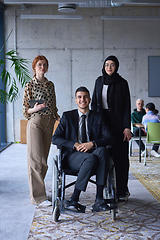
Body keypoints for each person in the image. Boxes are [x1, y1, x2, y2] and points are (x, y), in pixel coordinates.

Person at [52, 86, 114, 213]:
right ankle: (74, 199)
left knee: (102, 151)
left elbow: (110, 138)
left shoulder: (98, 117)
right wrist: (74, 144)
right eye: (79, 97)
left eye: (85, 97)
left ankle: (99, 199)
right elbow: (55, 138)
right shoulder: (67, 116)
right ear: (76, 100)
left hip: (93, 154)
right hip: (72, 156)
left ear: (90, 99)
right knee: (90, 158)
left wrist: (92, 143)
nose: (82, 99)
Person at [91, 55, 132, 201]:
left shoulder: (122, 83)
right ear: (103, 66)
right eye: (107, 64)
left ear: (116, 67)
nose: (109, 67)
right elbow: (94, 103)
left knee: (120, 159)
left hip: (119, 124)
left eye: (112, 64)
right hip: (102, 123)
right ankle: (106, 189)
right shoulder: (98, 81)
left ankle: (122, 191)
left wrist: (127, 127)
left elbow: (127, 106)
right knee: (103, 156)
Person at [23, 55, 60, 205]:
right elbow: (25, 110)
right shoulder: (29, 85)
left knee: (44, 161)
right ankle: (38, 197)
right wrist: (35, 108)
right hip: (35, 122)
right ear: (34, 67)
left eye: (45, 65)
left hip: (49, 122)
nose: (42, 67)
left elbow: (53, 105)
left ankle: (37, 191)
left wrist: (57, 117)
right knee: (36, 160)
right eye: (39, 65)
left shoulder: (50, 85)